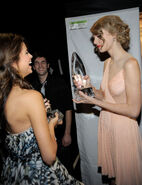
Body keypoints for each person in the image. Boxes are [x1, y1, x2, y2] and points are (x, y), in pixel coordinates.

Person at [0, 33, 83, 185]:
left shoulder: (5, 95)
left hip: (14, 172)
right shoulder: (31, 95)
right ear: (13, 60)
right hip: (38, 174)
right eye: (26, 52)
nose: (30, 57)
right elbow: (49, 156)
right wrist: (51, 122)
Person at [73, 15, 142, 185]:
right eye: (94, 37)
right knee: (113, 180)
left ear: (114, 34)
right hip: (107, 126)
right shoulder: (108, 63)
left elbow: (134, 110)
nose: (95, 41)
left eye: (99, 35)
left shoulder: (130, 64)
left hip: (123, 130)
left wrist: (95, 102)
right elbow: (107, 96)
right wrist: (90, 89)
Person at [25, 51, 77, 175]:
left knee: (65, 170)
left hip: (60, 134)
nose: (40, 65)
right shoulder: (30, 86)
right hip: (42, 136)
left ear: (48, 65)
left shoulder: (59, 82)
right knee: (49, 172)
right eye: (36, 63)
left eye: (43, 62)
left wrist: (67, 133)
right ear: (33, 67)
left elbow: (68, 108)